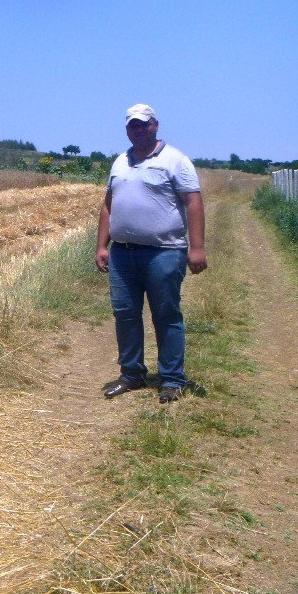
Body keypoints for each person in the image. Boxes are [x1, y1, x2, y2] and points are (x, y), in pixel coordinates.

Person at [95, 104, 207, 404]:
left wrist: (196, 247)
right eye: (133, 125)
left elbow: (193, 203)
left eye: (144, 124)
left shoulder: (176, 160)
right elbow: (108, 204)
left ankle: (172, 378)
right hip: (123, 254)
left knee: (166, 314)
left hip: (164, 252)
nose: (138, 129)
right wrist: (102, 246)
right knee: (125, 314)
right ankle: (132, 374)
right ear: (127, 129)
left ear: (155, 125)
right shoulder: (120, 162)